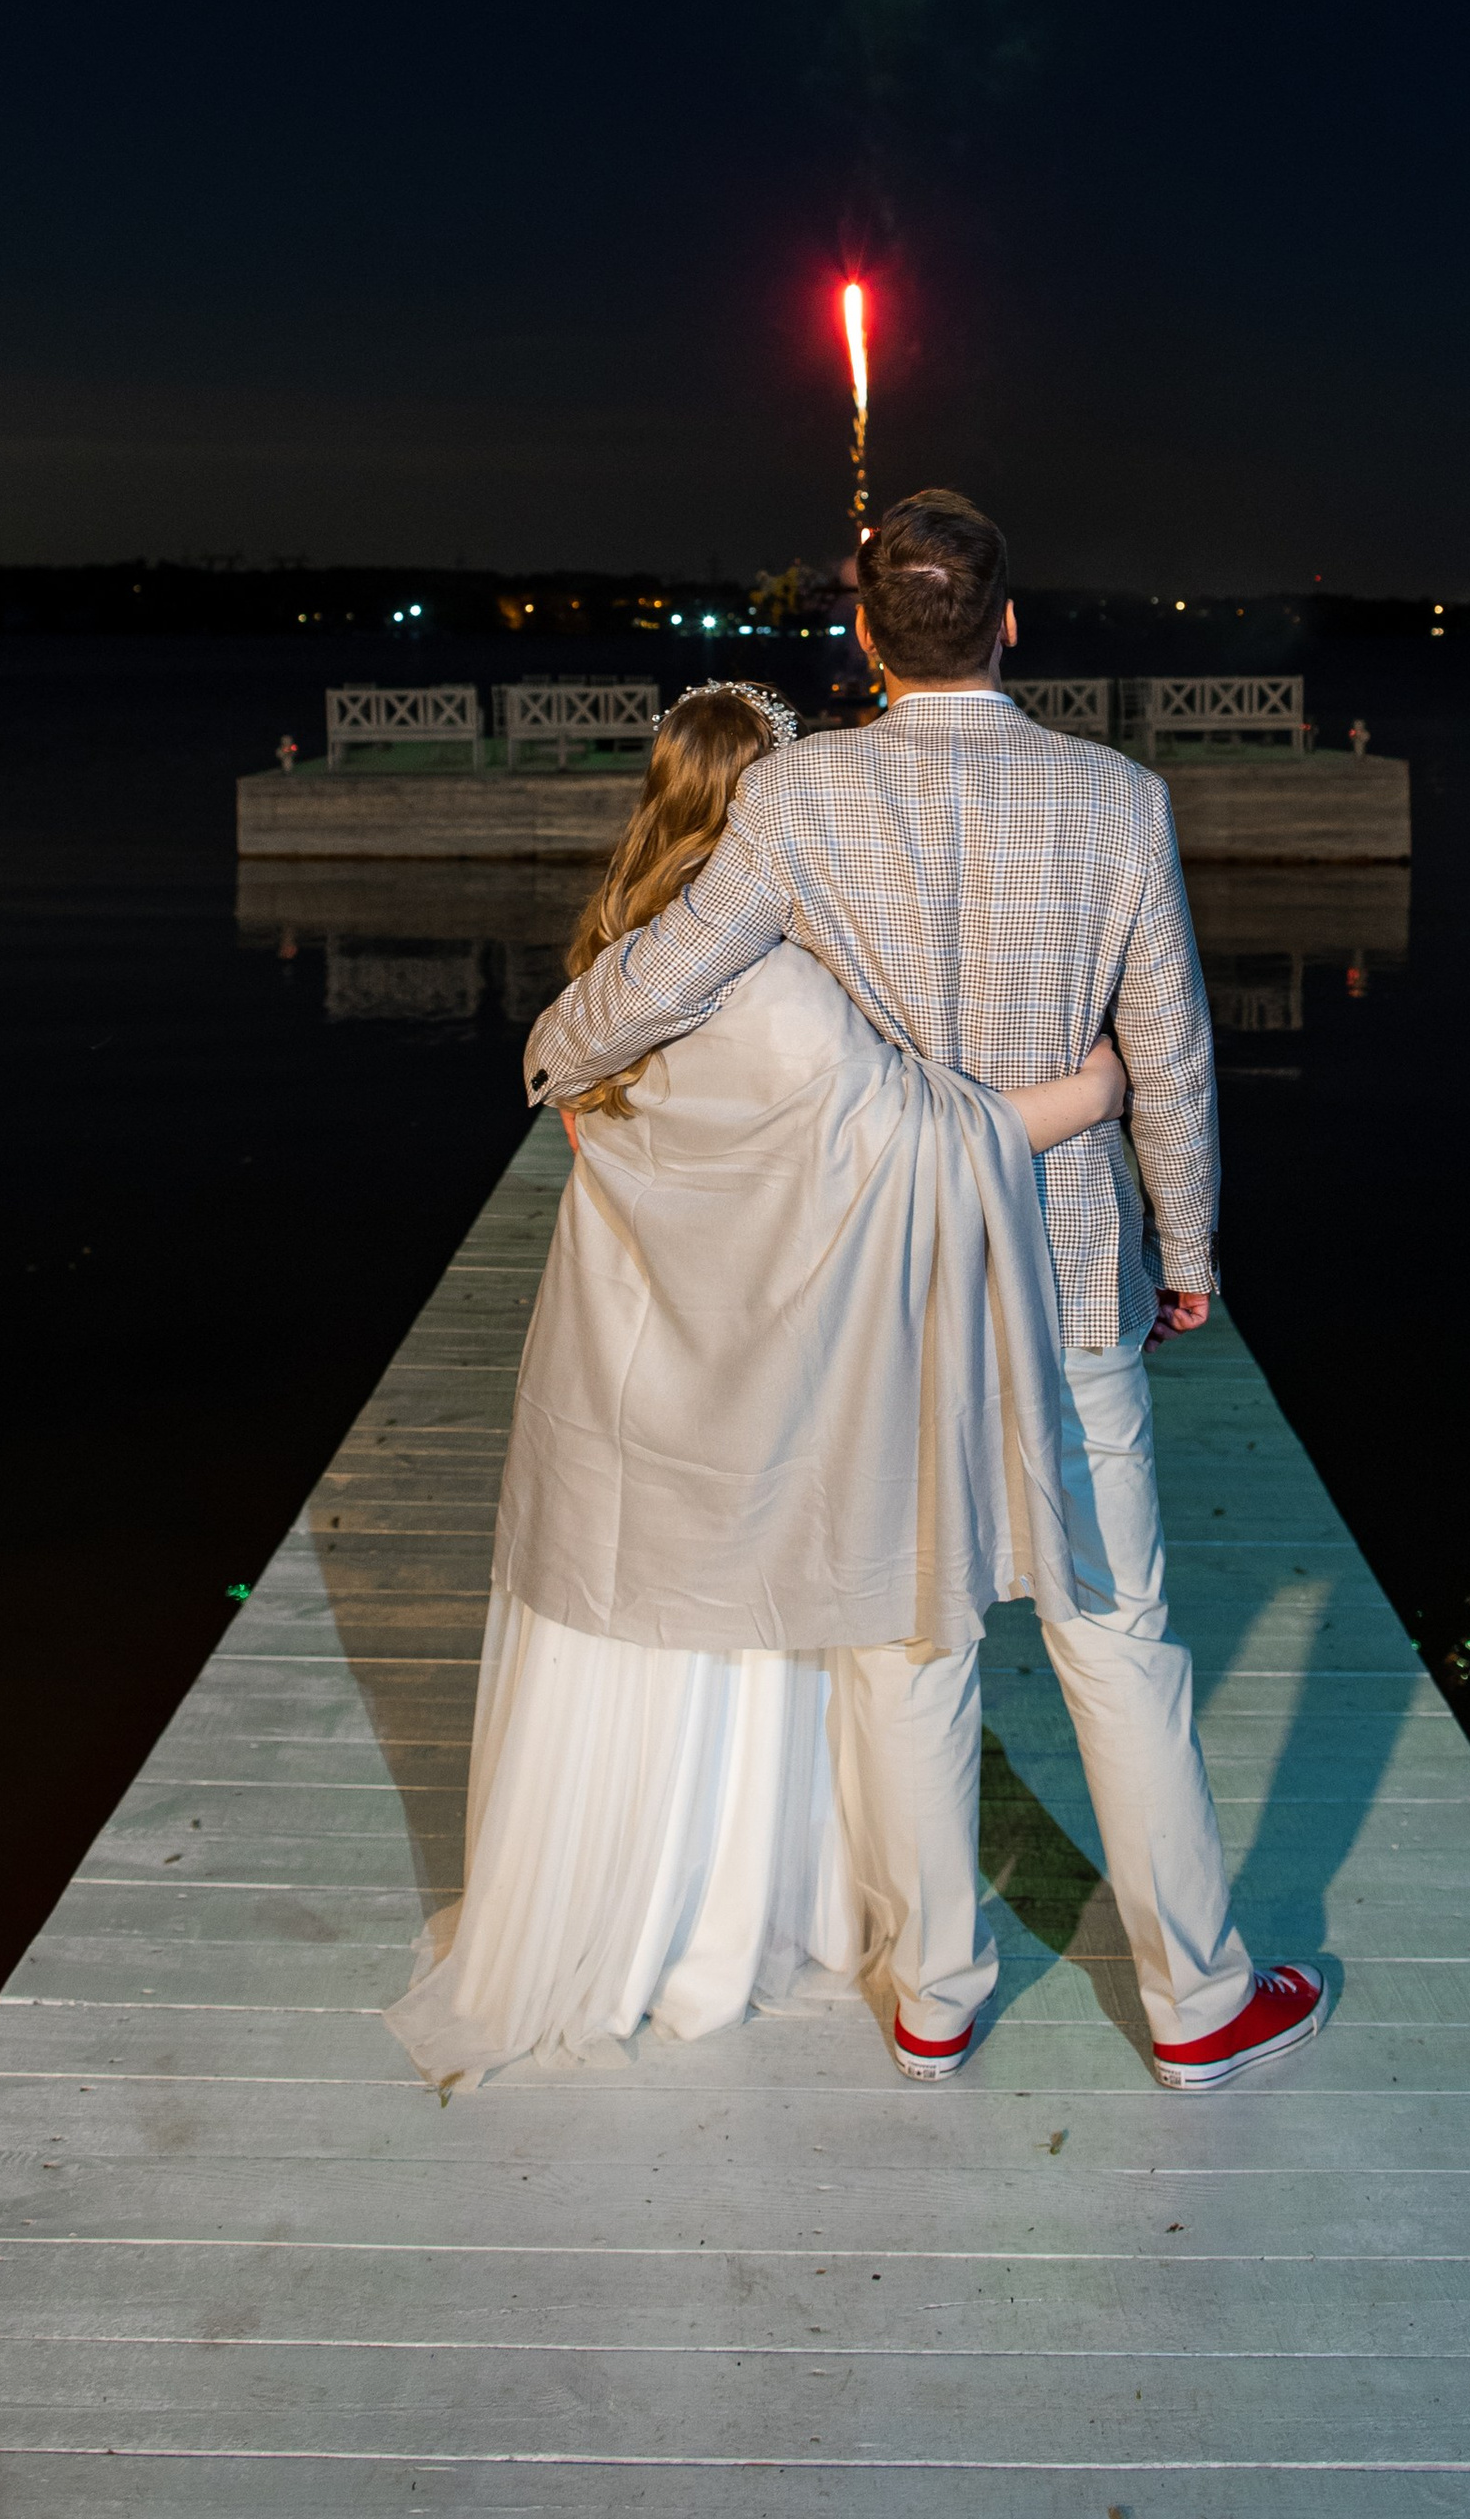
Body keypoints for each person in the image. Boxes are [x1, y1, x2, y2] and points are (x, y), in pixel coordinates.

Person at [525, 492, 1325, 2091]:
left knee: (910, 1634)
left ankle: (938, 1989)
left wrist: (557, 1046)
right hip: (1068, 1278)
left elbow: (657, 984)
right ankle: (1194, 2004)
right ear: (1011, 623)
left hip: (885, 1296)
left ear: (870, 636)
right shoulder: (1117, 796)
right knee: (1117, 1637)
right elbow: (1166, 1056)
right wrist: (1190, 1251)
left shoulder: (801, 801)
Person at [384, 679, 1124, 2083]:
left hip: (627, 1378)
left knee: (625, 1633)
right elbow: (916, 1144)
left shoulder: (616, 952)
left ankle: (603, 1904)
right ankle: (726, 1918)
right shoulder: (778, 984)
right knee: (738, 1635)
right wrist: (1092, 1095)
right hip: (740, 1403)